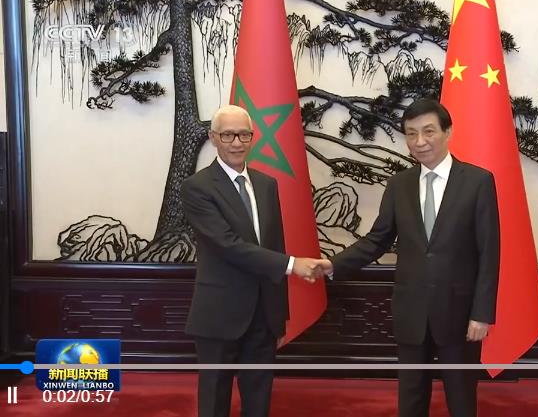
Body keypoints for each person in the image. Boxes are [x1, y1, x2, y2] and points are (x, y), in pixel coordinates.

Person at [317, 98, 500, 417]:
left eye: (429, 131)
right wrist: (333, 264)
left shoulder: (478, 182)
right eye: (411, 133)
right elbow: (377, 239)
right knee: (411, 401)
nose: (420, 141)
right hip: (411, 313)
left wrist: (481, 314)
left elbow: (489, 252)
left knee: (461, 400)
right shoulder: (399, 185)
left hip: (459, 315)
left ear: (447, 132)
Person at [181, 105, 328, 417]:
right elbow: (228, 245)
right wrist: (293, 265)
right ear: (213, 138)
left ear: (253, 137)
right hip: (219, 313)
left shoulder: (266, 184)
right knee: (214, 400)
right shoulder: (197, 187)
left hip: (264, 314)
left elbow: (274, 244)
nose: (237, 143)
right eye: (228, 135)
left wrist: (279, 313)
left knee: (259, 399)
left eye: (244, 134)